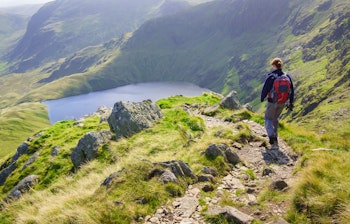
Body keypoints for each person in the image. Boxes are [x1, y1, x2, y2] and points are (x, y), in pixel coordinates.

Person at [261, 58, 294, 150]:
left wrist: (262, 97)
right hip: (282, 102)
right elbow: (292, 90)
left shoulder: (272, 76)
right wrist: (291, 102)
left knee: (268, 119)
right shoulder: (287, 76)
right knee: (275, 119)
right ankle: (275, 138)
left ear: (274, 65)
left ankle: (271, 136)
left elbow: (265, 88)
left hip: (272, 102)